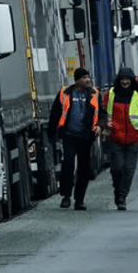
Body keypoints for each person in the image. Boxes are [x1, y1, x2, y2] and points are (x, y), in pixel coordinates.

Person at [47, 67, 100, 210]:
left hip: (86, 137)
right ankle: (66, 196)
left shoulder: (94, 94)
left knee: (83, 169)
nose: (87, 80)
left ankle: (79, 200)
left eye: (88, 77)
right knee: (68, 165)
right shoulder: (65, 93)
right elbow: (55, 113)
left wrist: (100, 126)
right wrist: (51, 133)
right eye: (84, 78)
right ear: (77, 80)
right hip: (69, 136)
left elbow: (101, 112)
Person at [102, 67, 138, 210]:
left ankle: (122, 198)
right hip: (115, 138)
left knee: (129, 170)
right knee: (117, 168)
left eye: (127, 79)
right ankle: (118, 192)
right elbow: (103, 111)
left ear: (132, 80)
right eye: (122, 79)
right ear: (118, 80)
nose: (125, 82)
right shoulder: (110, 94)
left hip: (134, 139)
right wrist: (105, 124)